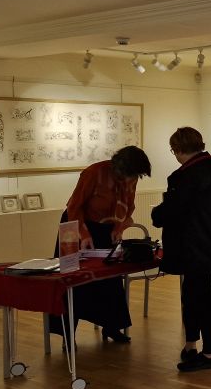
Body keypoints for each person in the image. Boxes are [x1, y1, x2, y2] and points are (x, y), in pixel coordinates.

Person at [151, 127, 211, 372]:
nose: (174, 156)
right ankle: (191, 345)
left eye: (173, 151)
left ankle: (210, 352)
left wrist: (155, 213)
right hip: (210, 245)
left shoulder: (186, 176)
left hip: (194, 248)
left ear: (179, 150)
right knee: (193, 295)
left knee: (199, 298)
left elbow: (169, 212)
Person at [49, 146, 151, 345]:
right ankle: (67, 335)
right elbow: (74, 206)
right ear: (118, 167)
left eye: (134, 176)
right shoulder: (94, 173)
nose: (130, 180)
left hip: (105, 229)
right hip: (75, 225)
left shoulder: (132, 176)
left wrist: (119, 228)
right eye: (128, 175)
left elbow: (128, 208)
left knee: (110, 279)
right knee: (73, 281)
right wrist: (83, 234)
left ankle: (111, 326)